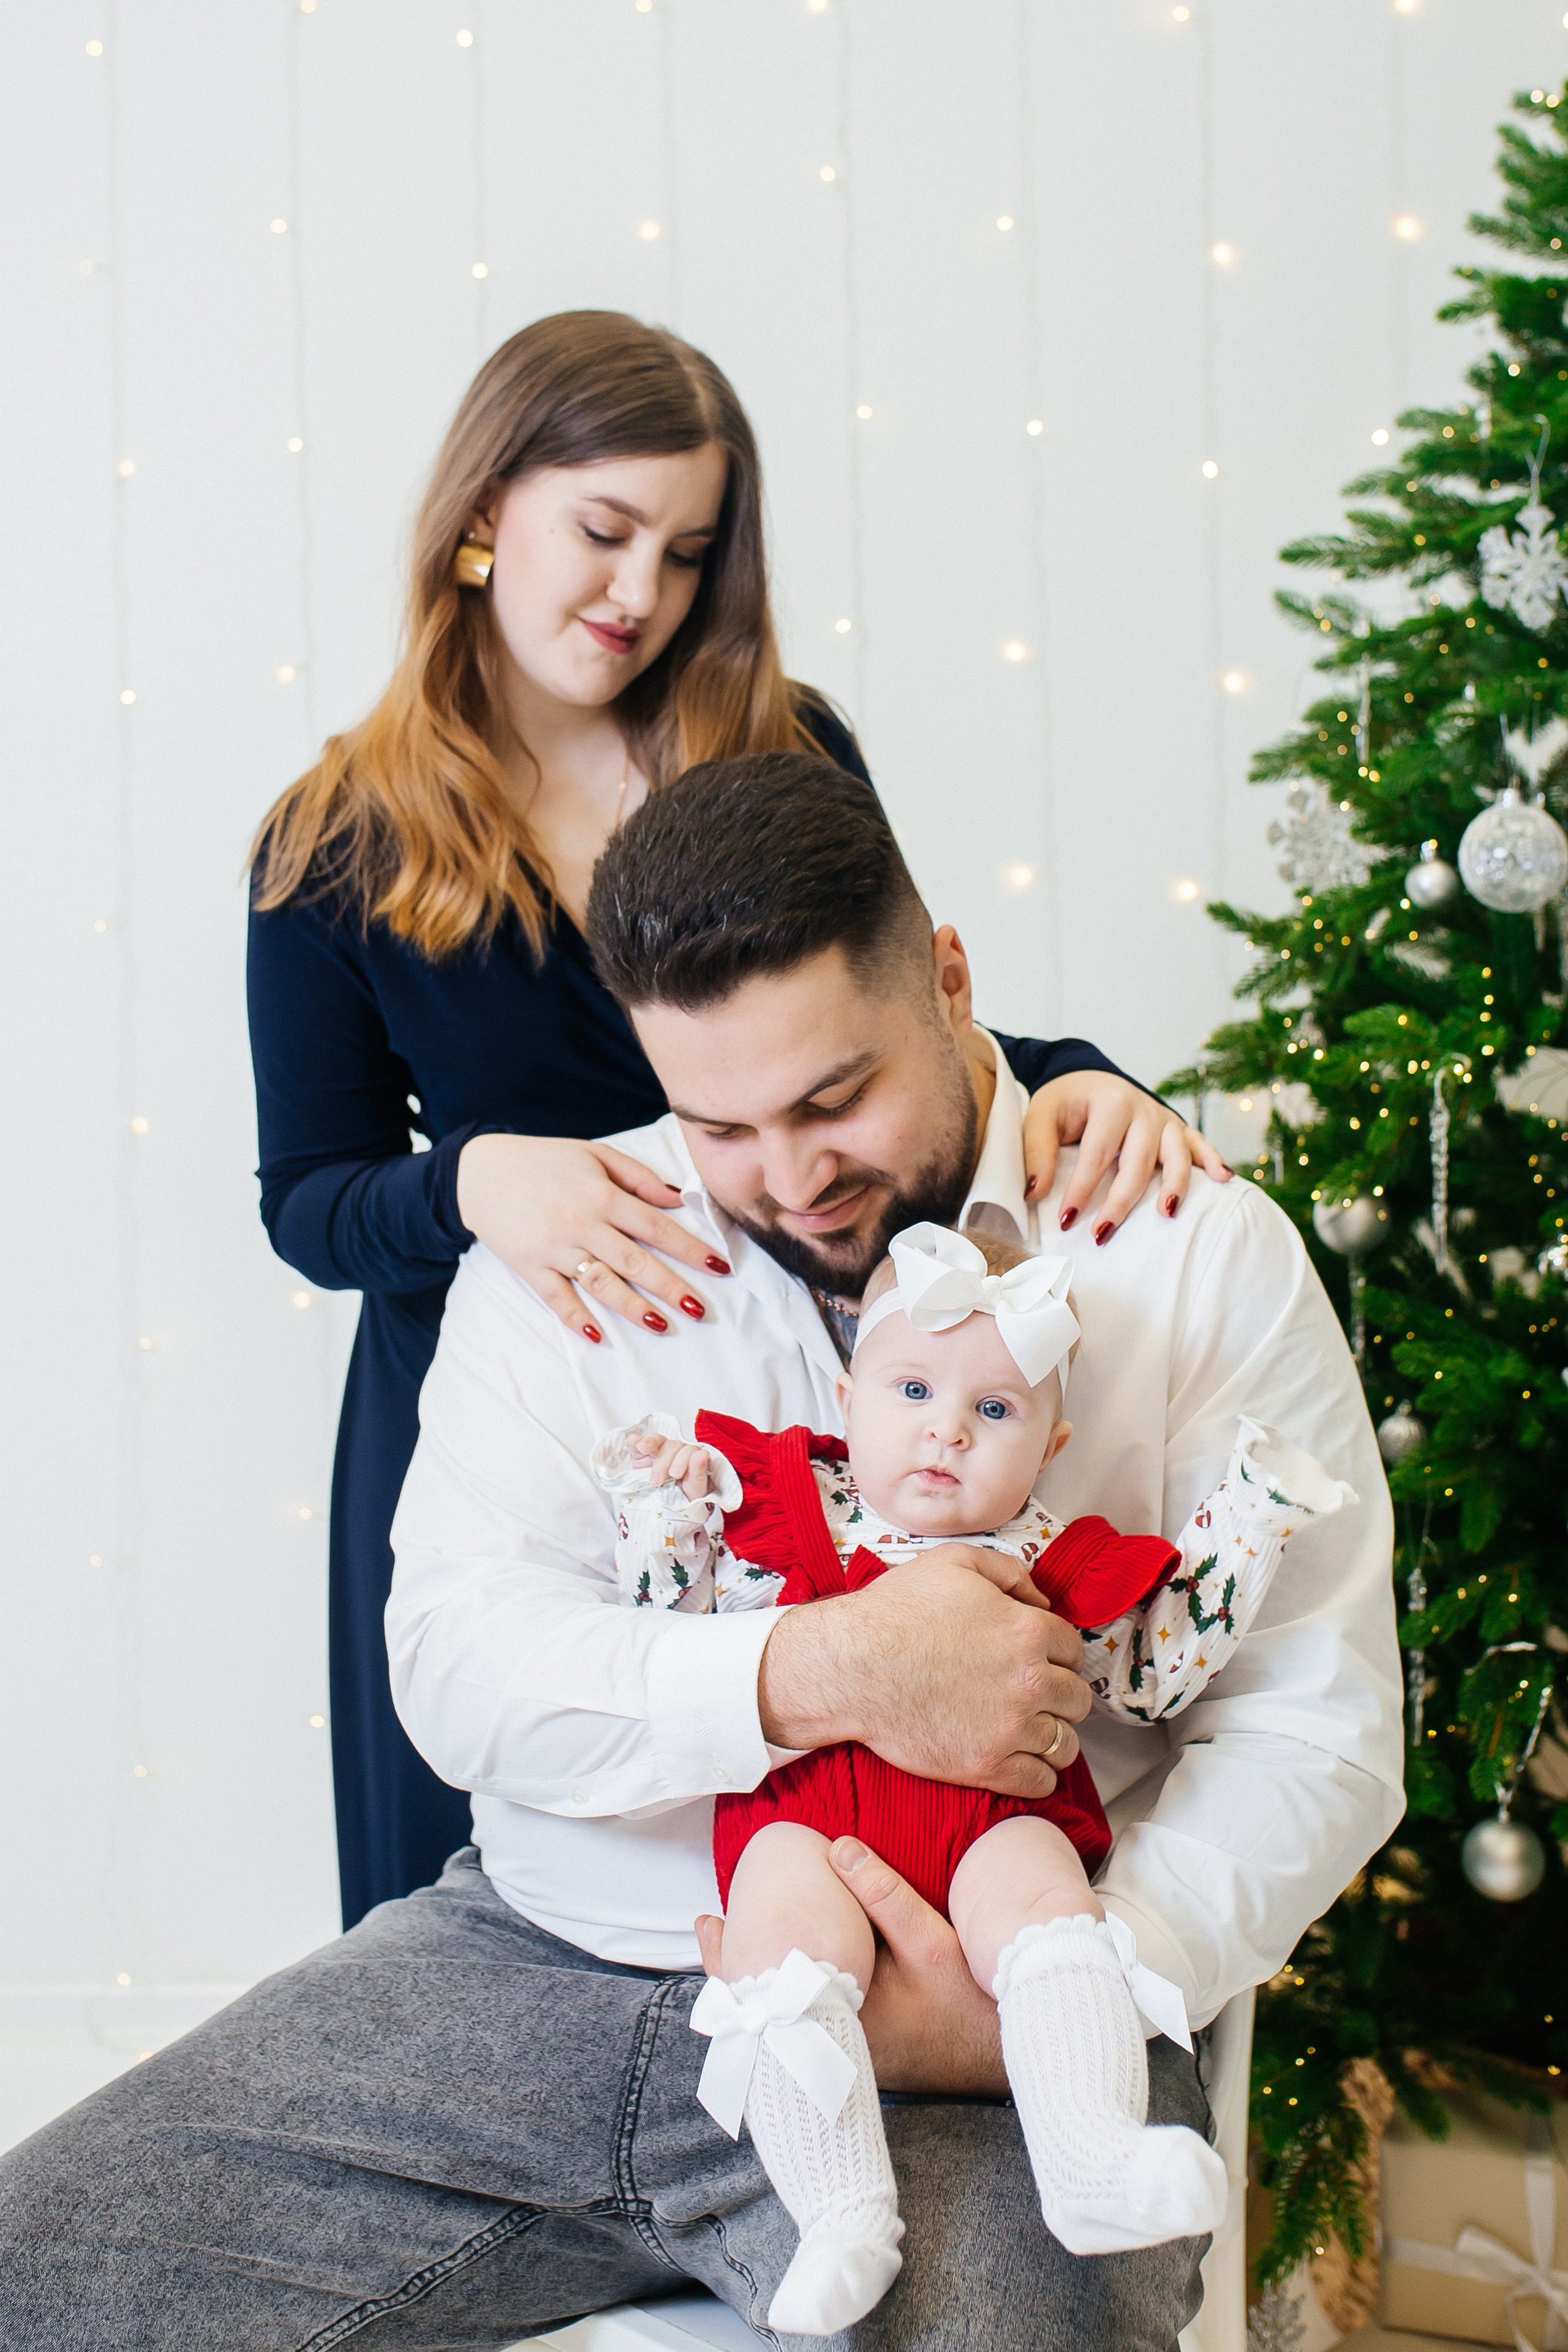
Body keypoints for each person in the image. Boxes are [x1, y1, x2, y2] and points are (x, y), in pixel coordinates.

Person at [0, 750, 1401, 2350]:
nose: (789, 1181)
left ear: (948, 978)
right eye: (719, 1119)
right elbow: (459, 1669)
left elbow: (1318, 1725)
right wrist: (814, 1671)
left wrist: (1079, 1969)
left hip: (991, 2017)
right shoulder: (584, 1239)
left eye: (833, 1100)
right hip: (544, 1967)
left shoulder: (1185, 1246)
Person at [246, 307, 1226, 1928]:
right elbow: (309, 1201)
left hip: (798, 1386)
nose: (640, 596)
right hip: (507, 1420)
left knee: (838, 1871)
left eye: (689, 553)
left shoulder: (783, 747)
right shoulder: (335, 842)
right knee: (490, 1909)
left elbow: (891, 1024)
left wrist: (1080, 1074)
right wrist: (478, 1184)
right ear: (486, 513)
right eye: (604, 532)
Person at [595, 1223, 1349, 2332]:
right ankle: (840, 2211)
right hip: (811, 1826)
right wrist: (661, 1506)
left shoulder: (1055, 1553)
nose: (946, 1429)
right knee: (777, 1941)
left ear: (1050, 1446)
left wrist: (1253, 1516)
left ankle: (1092, 2155)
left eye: (995, 1411)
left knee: (1052, 1905)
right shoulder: (786, 1504)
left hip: (998, 1822)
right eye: (912, 1389)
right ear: (849, 1395)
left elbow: (1147, 1680)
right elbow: (678, 1625)